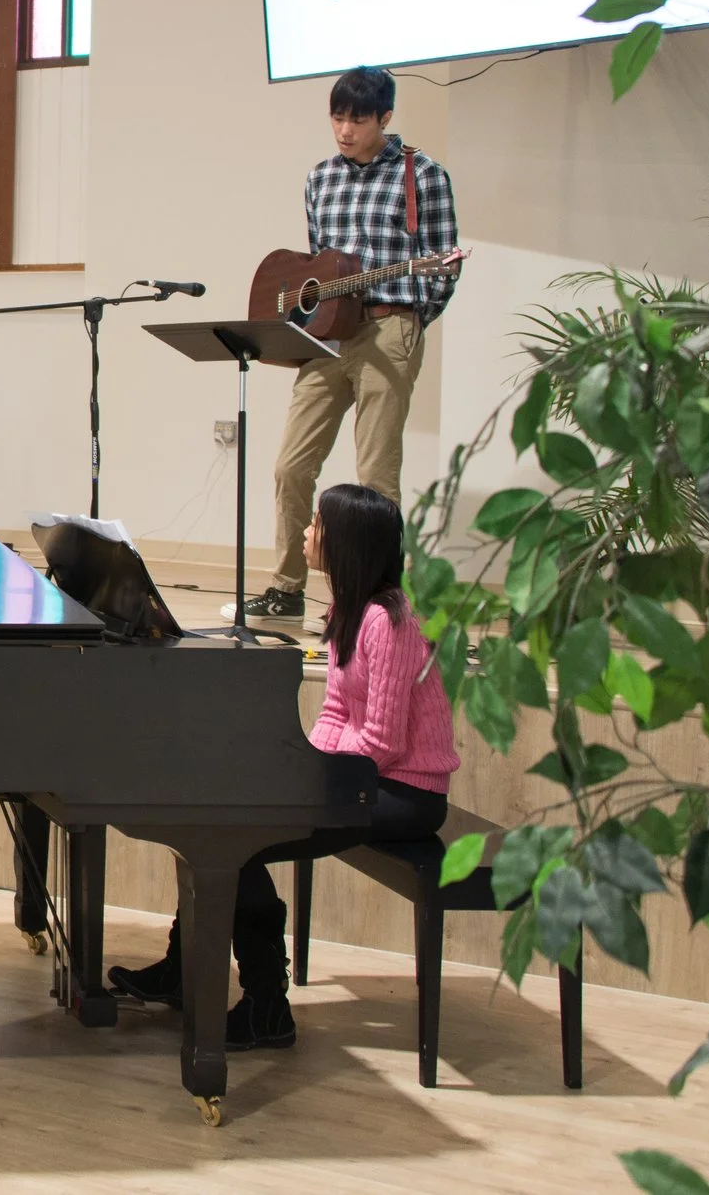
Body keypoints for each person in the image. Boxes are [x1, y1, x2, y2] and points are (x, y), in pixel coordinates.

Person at [108, 482, 460, 1050]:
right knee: (222, 824)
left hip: (403, 793)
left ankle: (267, 1005)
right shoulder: (352, 610)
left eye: (316, 525)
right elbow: (338, 711)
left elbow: (384, 742)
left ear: (345, 543)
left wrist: (315, 778)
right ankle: (186, 971)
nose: (305, 533)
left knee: (239, 838)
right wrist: (303, 765)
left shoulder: (389, 621)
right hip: (364, 777)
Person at [242, 65, 463, 623]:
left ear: (385, 118)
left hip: (390, 327)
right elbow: (316, 265)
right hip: (329, 338)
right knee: (291, 465)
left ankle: (375, 603)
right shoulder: (319, 179)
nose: (344, 129)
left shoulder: (424, 175)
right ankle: (287, 586)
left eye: (357, 120)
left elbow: (444, 264)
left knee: (376, 475)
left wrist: (409, 324)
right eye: (337, 118)